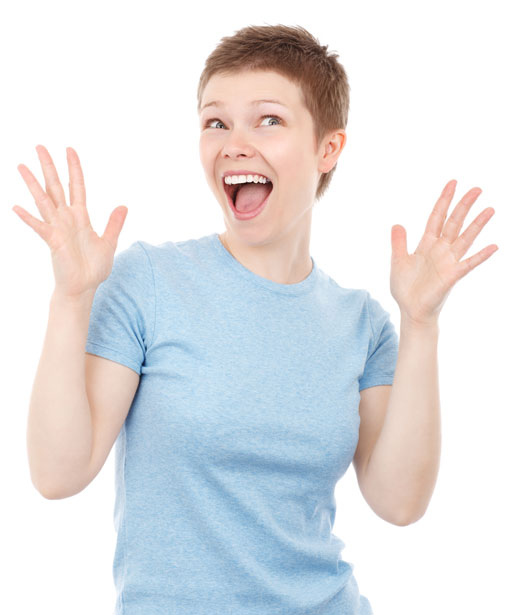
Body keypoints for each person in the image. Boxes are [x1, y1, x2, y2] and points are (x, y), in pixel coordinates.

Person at [16, 23, 497, 615]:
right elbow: (57, 474)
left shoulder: (363, 324)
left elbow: (399, 503)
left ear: (328, 148)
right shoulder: (149, 282)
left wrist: (421, 323)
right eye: (216, 122)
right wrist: (70, 300)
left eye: (268, 119)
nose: (234, 143)